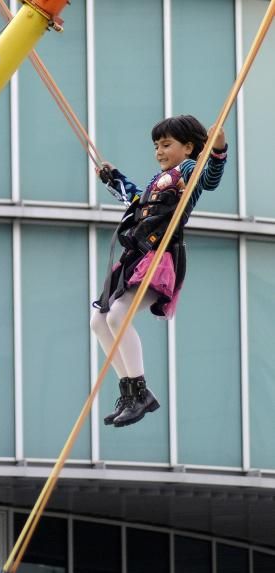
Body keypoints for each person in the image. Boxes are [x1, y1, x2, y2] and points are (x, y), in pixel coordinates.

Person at [91, 114, 228, 428]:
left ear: (189, 146)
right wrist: (113, 179)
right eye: (156, 146)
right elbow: (137, 201)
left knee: (117, 316)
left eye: (166, 144)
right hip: (137, 254)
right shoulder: (159, 179)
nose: (159, 152)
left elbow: (210, 180)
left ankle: (139, 392)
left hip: (160, 256)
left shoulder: (188, 170)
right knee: (99, 320)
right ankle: (130, 391)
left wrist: (218, 149)